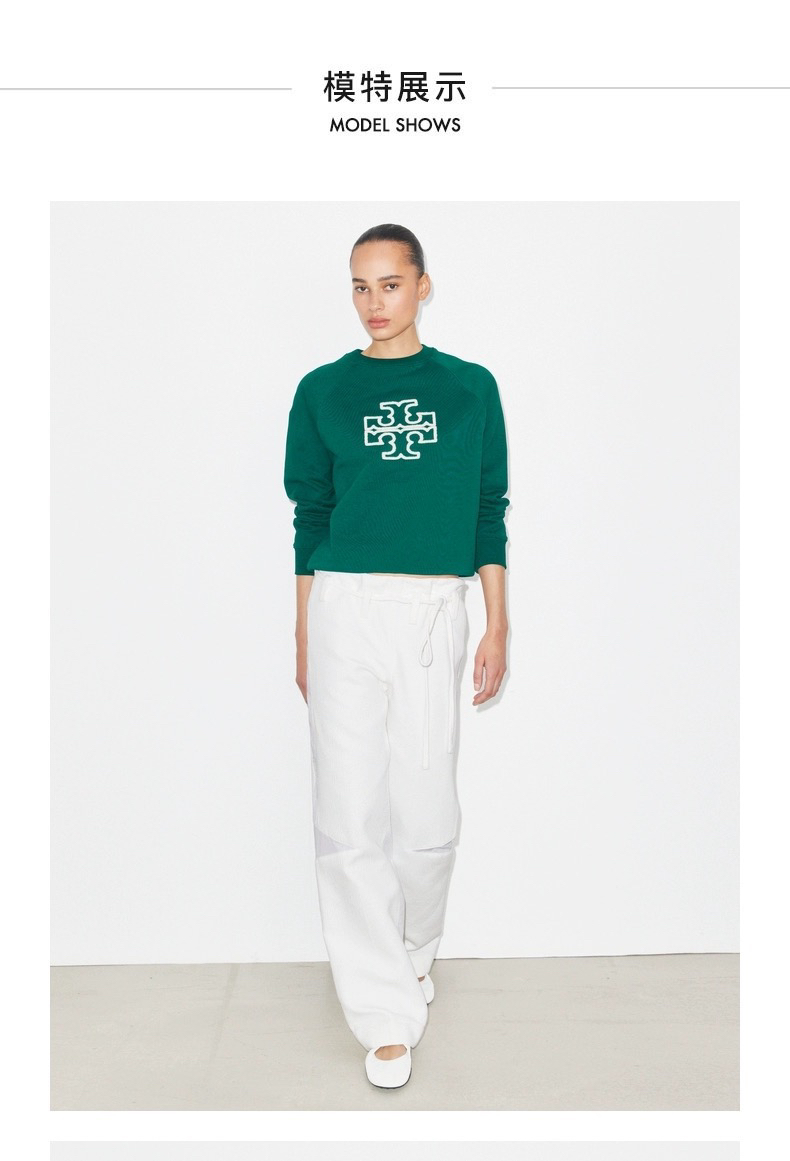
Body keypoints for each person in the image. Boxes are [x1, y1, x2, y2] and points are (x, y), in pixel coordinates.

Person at [283, 222, 510, 1089]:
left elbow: (488, 508)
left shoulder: (470, 389)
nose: (373, 302)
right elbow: (311, 514)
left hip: (431, 611)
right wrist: (304, 629)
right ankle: (381, 1012)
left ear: (422, 285)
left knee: (425, 813)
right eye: (359, 285)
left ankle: (413, 951)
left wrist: (496, 622)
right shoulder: (322, 391)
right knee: (348, 813)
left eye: (389, 283)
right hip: (344, 607)